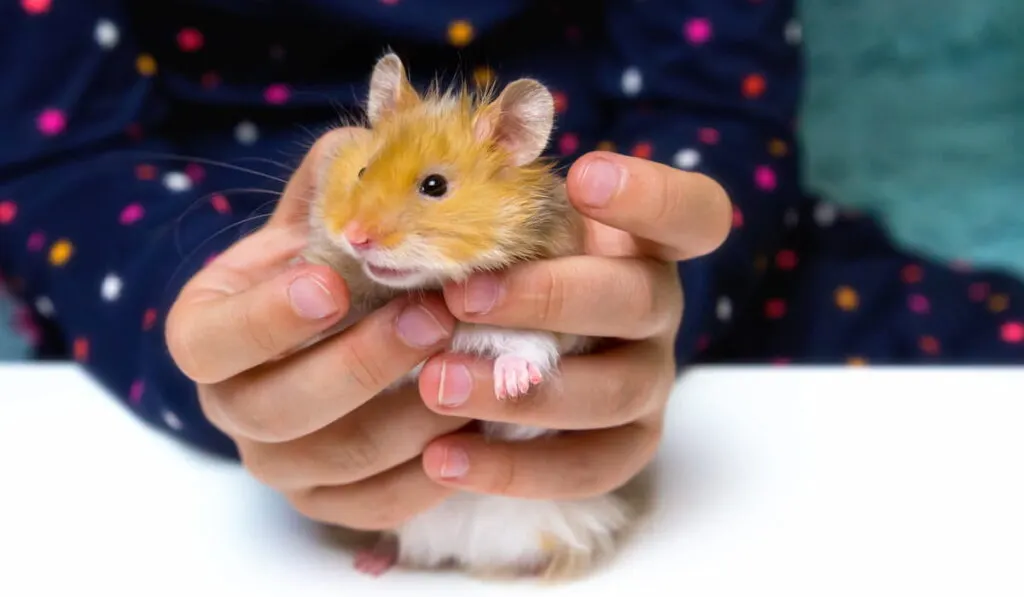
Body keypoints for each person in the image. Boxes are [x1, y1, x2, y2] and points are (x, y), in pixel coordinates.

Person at [0, 0, 1020, 532]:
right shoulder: (342, 209)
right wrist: (218, 348)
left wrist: (642, 283)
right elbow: (54, 157)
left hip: (714, 264)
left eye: (429, 191)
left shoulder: (531, 182)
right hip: (149, 256)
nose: (367, 225)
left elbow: (719, 107)